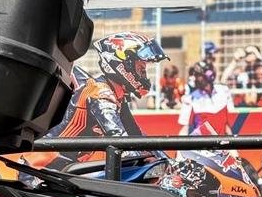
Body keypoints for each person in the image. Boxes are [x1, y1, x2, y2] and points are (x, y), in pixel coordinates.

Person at [45, 31, 169, 161]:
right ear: (124, 64)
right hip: (47, 163)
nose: (144, 76)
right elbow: (119, 141)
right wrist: (149, 161)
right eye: (141, 70)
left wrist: (169, 163)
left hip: (64, 162)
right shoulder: (100, 93)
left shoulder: (116, 95)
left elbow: (136, 135)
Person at [178, 61, 234, 135]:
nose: (195, 78)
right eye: (195, 75)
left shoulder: (223, 91)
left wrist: (232, 141)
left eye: (198, 75)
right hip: (202, 141)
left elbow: (227, 124)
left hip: (222, 141)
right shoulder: (190, 99)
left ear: (209, 75)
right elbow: (184, 129)